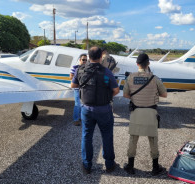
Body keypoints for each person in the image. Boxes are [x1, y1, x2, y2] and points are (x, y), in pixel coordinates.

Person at [71, 46, 120, 174]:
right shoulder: (106, 72)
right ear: (100, 57)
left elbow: (73, 85)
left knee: (86, 136)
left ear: (89, 56)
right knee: (107, 136)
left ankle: (87, 166)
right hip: (104, 110)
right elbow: (116, 90)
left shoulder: (80, 70)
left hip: (86, 109)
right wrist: (107, 96)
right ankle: (109, 164)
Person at [123, 53, 167, 175]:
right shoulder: (155, 78)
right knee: (153, 139)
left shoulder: (130, 77)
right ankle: (155, 167)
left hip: (136, 112)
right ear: (148, 64)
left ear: (137, 64)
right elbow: (164, 94)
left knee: (133, 139)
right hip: (151, 113)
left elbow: (125, 95)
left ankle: (130, 166)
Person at [70, 54, 87, 126]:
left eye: (86, 60)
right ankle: (76, 119)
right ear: (80, 60)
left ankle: (81, 117)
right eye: (83, 59)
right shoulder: (75, 67)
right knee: (77, 104)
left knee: (83, 104)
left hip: (84, 88)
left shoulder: (87, 67)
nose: (85, 61)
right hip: (77, 88)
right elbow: (71, 77)